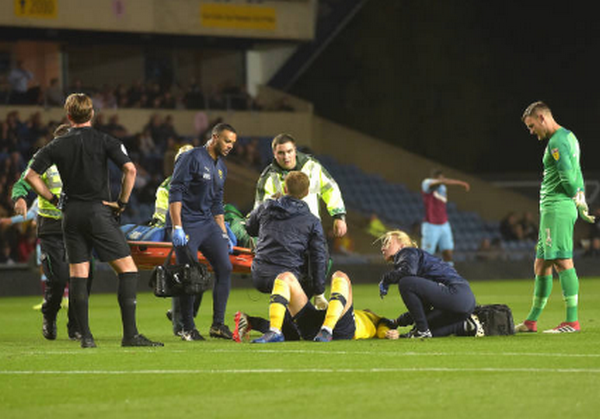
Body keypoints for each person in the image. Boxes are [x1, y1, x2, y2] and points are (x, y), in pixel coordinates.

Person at [24, 93, 163, 348]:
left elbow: (31, 175)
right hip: (98, 211)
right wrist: (121, 202)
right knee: (128, 269)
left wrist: (54, 200)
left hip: (71, 214)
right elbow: (130, 170)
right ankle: (130, 335)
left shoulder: (57, 145)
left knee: (78, 272)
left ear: (68, 116)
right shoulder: (104, 140)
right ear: (92, 114)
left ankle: (85, 337)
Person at [516, 101, 595, 334]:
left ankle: (572, 321)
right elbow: (577, 171)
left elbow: (569, 177)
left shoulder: (557, 142)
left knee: (562, 261)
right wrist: (580, 199)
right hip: (556, 208)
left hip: (557, 208)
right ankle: (531, 321)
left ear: (542, 118)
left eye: (531, 126)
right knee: (541, 264)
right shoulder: (569, 136)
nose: (531, 132)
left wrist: (575, 196)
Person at [11, 123, 89, 341]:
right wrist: (19, 198)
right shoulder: (43, 160)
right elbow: (21, 183)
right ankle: (49, 314)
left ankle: (75, 326)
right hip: (52, 228)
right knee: (58, 278)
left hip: (78, 226)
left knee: (79, 279)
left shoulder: (84, 160)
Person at [233, 171, 328, 342]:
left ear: (285, 188)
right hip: (289, 278)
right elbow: (319, 257)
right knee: (303, 331)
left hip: (261, 275)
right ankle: (262, 324)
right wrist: (319, 291)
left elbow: (250, 228)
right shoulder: (312, 220)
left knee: (292, 333)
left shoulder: (266, 207)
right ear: (307, 193)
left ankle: (250, 322)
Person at [169, 122, 237, 341]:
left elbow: (217, 204)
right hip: (187, 223)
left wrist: (223, 232)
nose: (230, 146)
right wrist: (177, 226)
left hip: (207, 223)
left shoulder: (221, 167)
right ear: (215, 137)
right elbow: (175, 190)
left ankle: (217, 324)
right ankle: (187, 328)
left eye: (233, 143)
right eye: (227, 141)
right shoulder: (191, 157)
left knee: (225, 268)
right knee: (189, 275)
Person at [377, 230, 483, 338]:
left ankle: (422, 331)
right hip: (463, 301)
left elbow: (407, 272)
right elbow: (422, 308)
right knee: (425, 324)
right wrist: (397, 323)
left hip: (456, 293)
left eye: (387, 243)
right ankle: (464, 325)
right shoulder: (415, 262)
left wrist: (386, 279)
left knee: (406, 282)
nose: (383, 248)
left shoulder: (407, 252)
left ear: (402, 245)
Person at [252, 270, 398, 343]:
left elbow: (384, 323)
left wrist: (387, 333)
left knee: (340, 275)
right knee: (285, 277)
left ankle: (327, 330)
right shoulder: (347, 310)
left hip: (341, 330)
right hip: (316, 326)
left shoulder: (372, 318)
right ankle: (274, 332)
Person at [254, 133, 347, 238]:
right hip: (282, 236)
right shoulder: (268, 177)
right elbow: (260, 208)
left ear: (295, 150)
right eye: (281, 153)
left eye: (289, 151)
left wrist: (339, 216)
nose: (286, 157)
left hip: (312, 231)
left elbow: (330, 189)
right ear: (274, 154)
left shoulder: (312, 166)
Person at [421, 168, 470, 264]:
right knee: (427, 254)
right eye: (439, 178)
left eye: (442, 178)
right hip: (431, 224)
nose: (442, 180)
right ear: (434, 178)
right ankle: (422, 276)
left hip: (444, 224)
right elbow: (435, 184)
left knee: (448, 252)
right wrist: (460, 183)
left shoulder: (443, 188)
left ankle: (449, 276)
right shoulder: (427, 183)